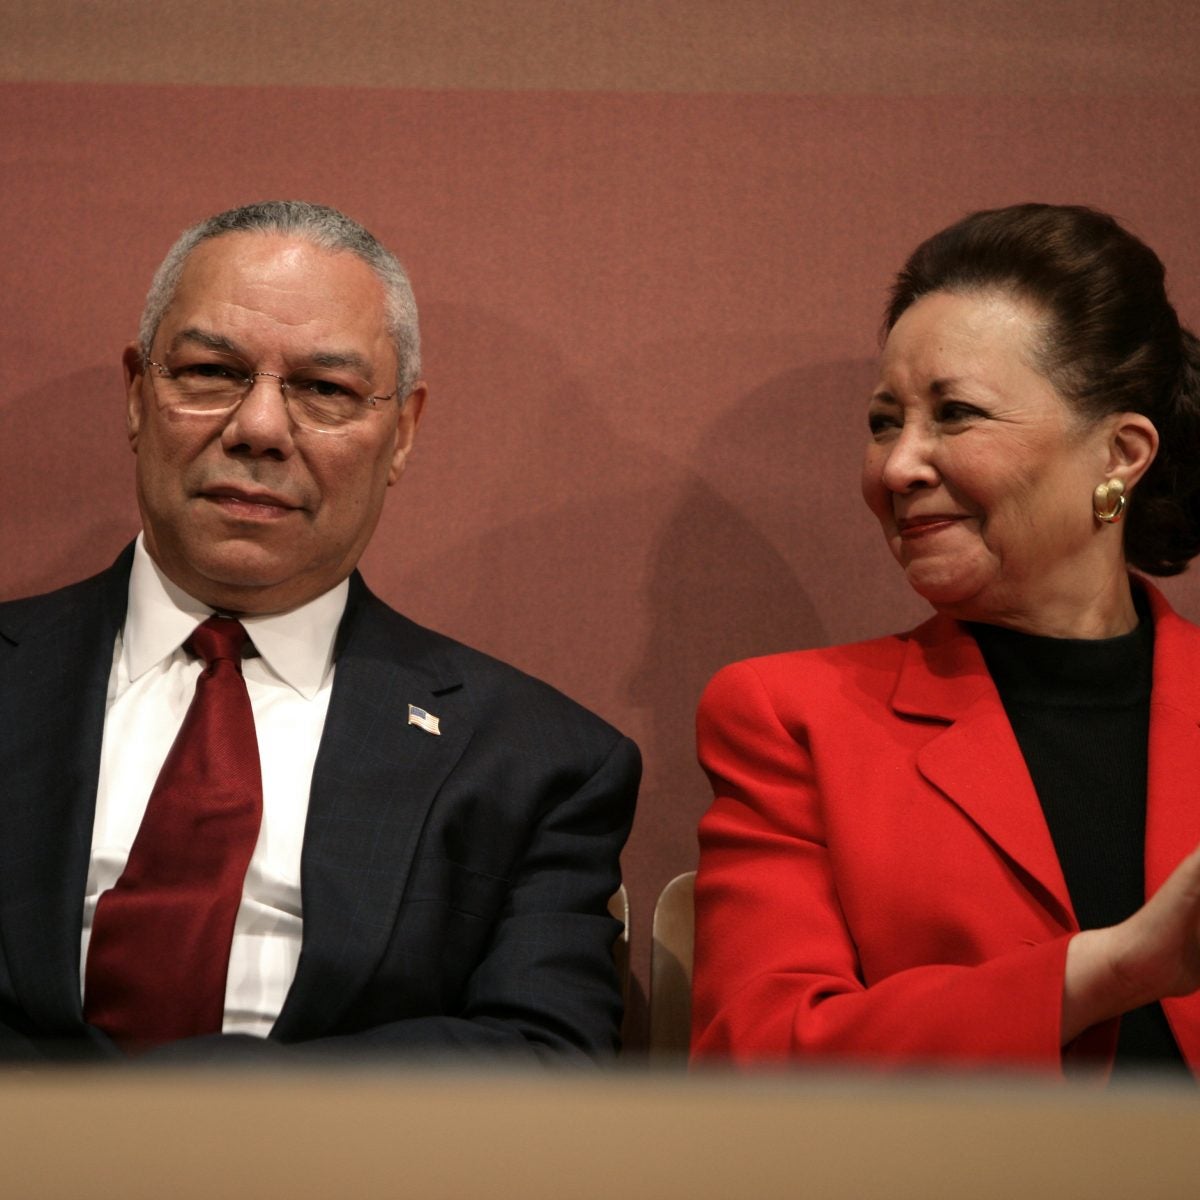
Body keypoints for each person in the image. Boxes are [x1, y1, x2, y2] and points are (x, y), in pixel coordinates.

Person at [0, 200, 639, 1064]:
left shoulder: (533, 762)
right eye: (211, 371)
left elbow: (544, 1056)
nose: (260, 429)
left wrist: (223, 1108)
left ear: (402, 433)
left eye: (325, 390)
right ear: (138, 395)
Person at [691, 203, 1200, 1076]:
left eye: (955, 413)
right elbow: (758, 1059)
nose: (897, 466)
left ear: (1121, 453)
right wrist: (1108, 972)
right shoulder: (791, 717)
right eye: (885, 421)